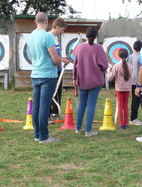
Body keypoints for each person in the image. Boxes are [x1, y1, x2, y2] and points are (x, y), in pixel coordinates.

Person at [27, 12, 70, 143]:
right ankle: (44, 136)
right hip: (48, 76)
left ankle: (37, 134)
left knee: (36, 106)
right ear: (47, 21)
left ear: (35, 22)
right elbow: (56, 59)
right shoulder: (47, 36)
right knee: (44, 107)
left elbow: (31, 56)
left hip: (36, 74)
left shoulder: (31, 36)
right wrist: (64, 60)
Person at [73, 26, 109, 137]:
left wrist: (75, 79)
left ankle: (78, 128)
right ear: (96, 36)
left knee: (82, 104)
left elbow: (76, 63)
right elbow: (104, 66)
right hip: (95, 80)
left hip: (82, 79)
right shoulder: (98, 48)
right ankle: (88, 131)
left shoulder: (78, 48)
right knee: (91, 104)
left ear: (85, 35)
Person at [108, 48, 133, 129]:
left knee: (120, 105)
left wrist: (109, 71)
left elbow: (109, 78)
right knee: (125, 105)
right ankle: (126, 123)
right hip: (127, 87)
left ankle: (121, 123)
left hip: (119, 88)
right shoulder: (130, 66)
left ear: (118, 56)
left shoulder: (117, 66)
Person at [49, 18, 68, 123]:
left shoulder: (55, 38)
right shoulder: (49, 37)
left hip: (58, 69)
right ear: (57, 27)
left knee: (58, 92)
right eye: (62, 29)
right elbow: (53, 57)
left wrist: (62, 59)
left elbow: (56, 55)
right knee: (52, 92)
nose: (63, 32)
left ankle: (55, 112)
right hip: (53, 71)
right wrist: (62, 60)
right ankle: (51, 113)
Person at [128, 41, 142, 126]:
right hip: (138, 81)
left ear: (133, 48)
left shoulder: (130, 56)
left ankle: (133, 117)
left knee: (134, 99)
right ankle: (133, 118)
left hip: (131, 81)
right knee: (137, 100)